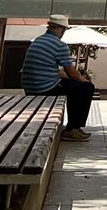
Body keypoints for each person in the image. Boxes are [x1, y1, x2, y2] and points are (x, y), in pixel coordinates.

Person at [21, 13, 96, 142]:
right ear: (62, 30)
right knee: (86, 88)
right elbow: (72, 72)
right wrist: (84, 80)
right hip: (44, 88)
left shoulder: (38, 40)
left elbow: (48, 67)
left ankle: (72, 128)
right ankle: (72, 129)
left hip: (30, 86)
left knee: (73, 86)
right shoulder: (59, 45)